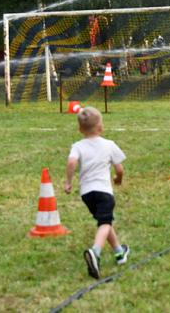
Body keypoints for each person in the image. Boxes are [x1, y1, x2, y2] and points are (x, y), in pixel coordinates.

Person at [64, 106, 130, 279]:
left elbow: (71, 163)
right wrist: (119, 178)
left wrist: (69, 182)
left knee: (104, 222)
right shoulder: (109, 145)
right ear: (101, 128)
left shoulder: (77, 146)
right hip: (104, 191)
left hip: (87, 193)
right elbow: (120, 169)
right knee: (105, 222)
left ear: (80, 130)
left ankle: (119, 253)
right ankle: (95, 251)